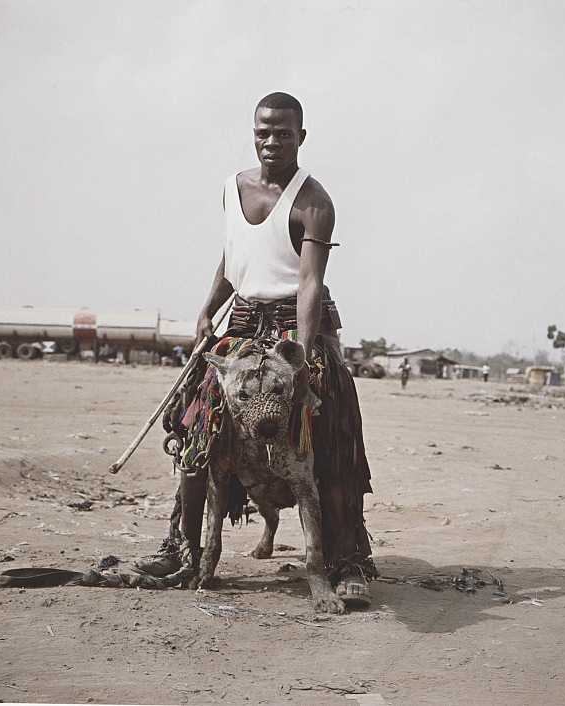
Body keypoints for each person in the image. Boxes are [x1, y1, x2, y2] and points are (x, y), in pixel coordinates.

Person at [137, 92, 377, 607]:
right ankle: (183, 544)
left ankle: (346, 560)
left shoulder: (315, 202)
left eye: (283, 133)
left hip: (298, 323)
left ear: (301, 137)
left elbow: (310, 283)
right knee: (198, 428)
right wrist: (207, 308)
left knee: (332, 430)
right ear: (253, 131)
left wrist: (305, 353)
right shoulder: (232, 187)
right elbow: (233, 257)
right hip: (242, 318)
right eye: (263, 132)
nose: (272, 141)